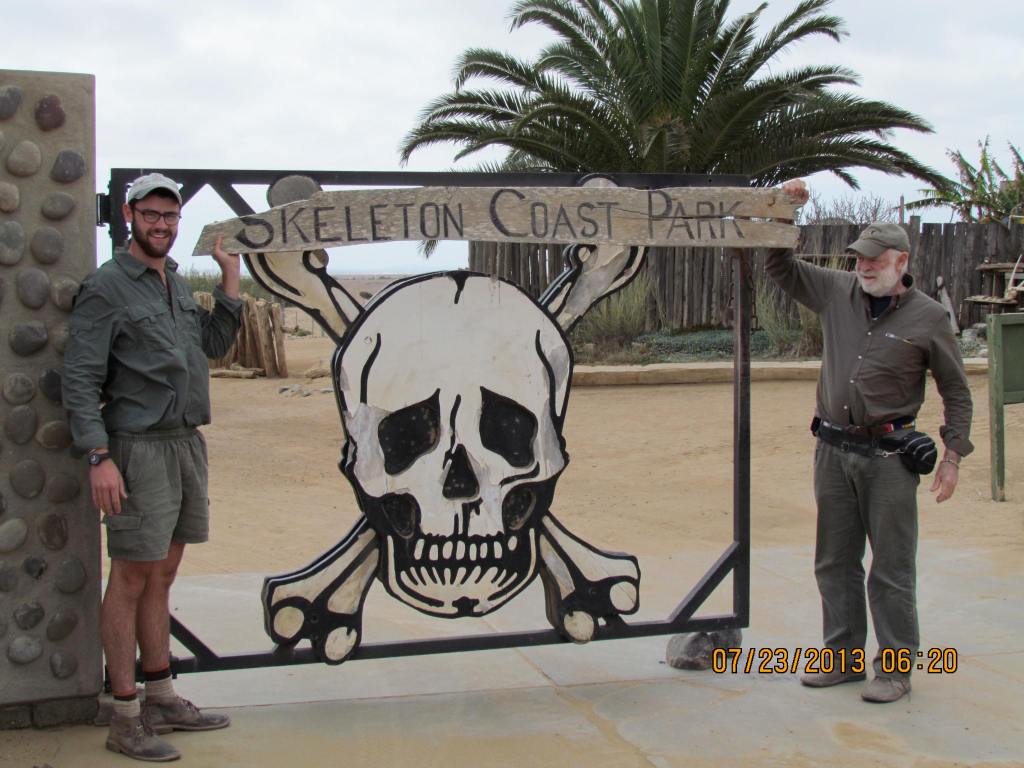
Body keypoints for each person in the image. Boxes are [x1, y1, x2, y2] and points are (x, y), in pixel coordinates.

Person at [766, 179, 973, 704]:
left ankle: (896, 670)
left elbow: (956, 390)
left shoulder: (929, 318)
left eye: (875, 260)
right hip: (832, 453)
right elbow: (780, 268)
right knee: (834, 562)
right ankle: (842, 660)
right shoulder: (836, 290)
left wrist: (952, 456)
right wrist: (785, 213)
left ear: (901, 261)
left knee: (892, 570)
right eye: (859, 257)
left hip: (889, 461)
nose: (864, 266)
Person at [64, 173, 242, 760]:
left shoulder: (175, 283)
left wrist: (230, 280)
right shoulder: (107, 287)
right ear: (129, 214)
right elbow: (80, 378)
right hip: (137, 449)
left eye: (170, 216)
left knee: (162, 576)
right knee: (131, 577)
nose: (161, 225)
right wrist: (99, 456)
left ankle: (161, 695)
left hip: (184, 443)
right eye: (151, 215)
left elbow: (213, 345)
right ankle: (125, 715)